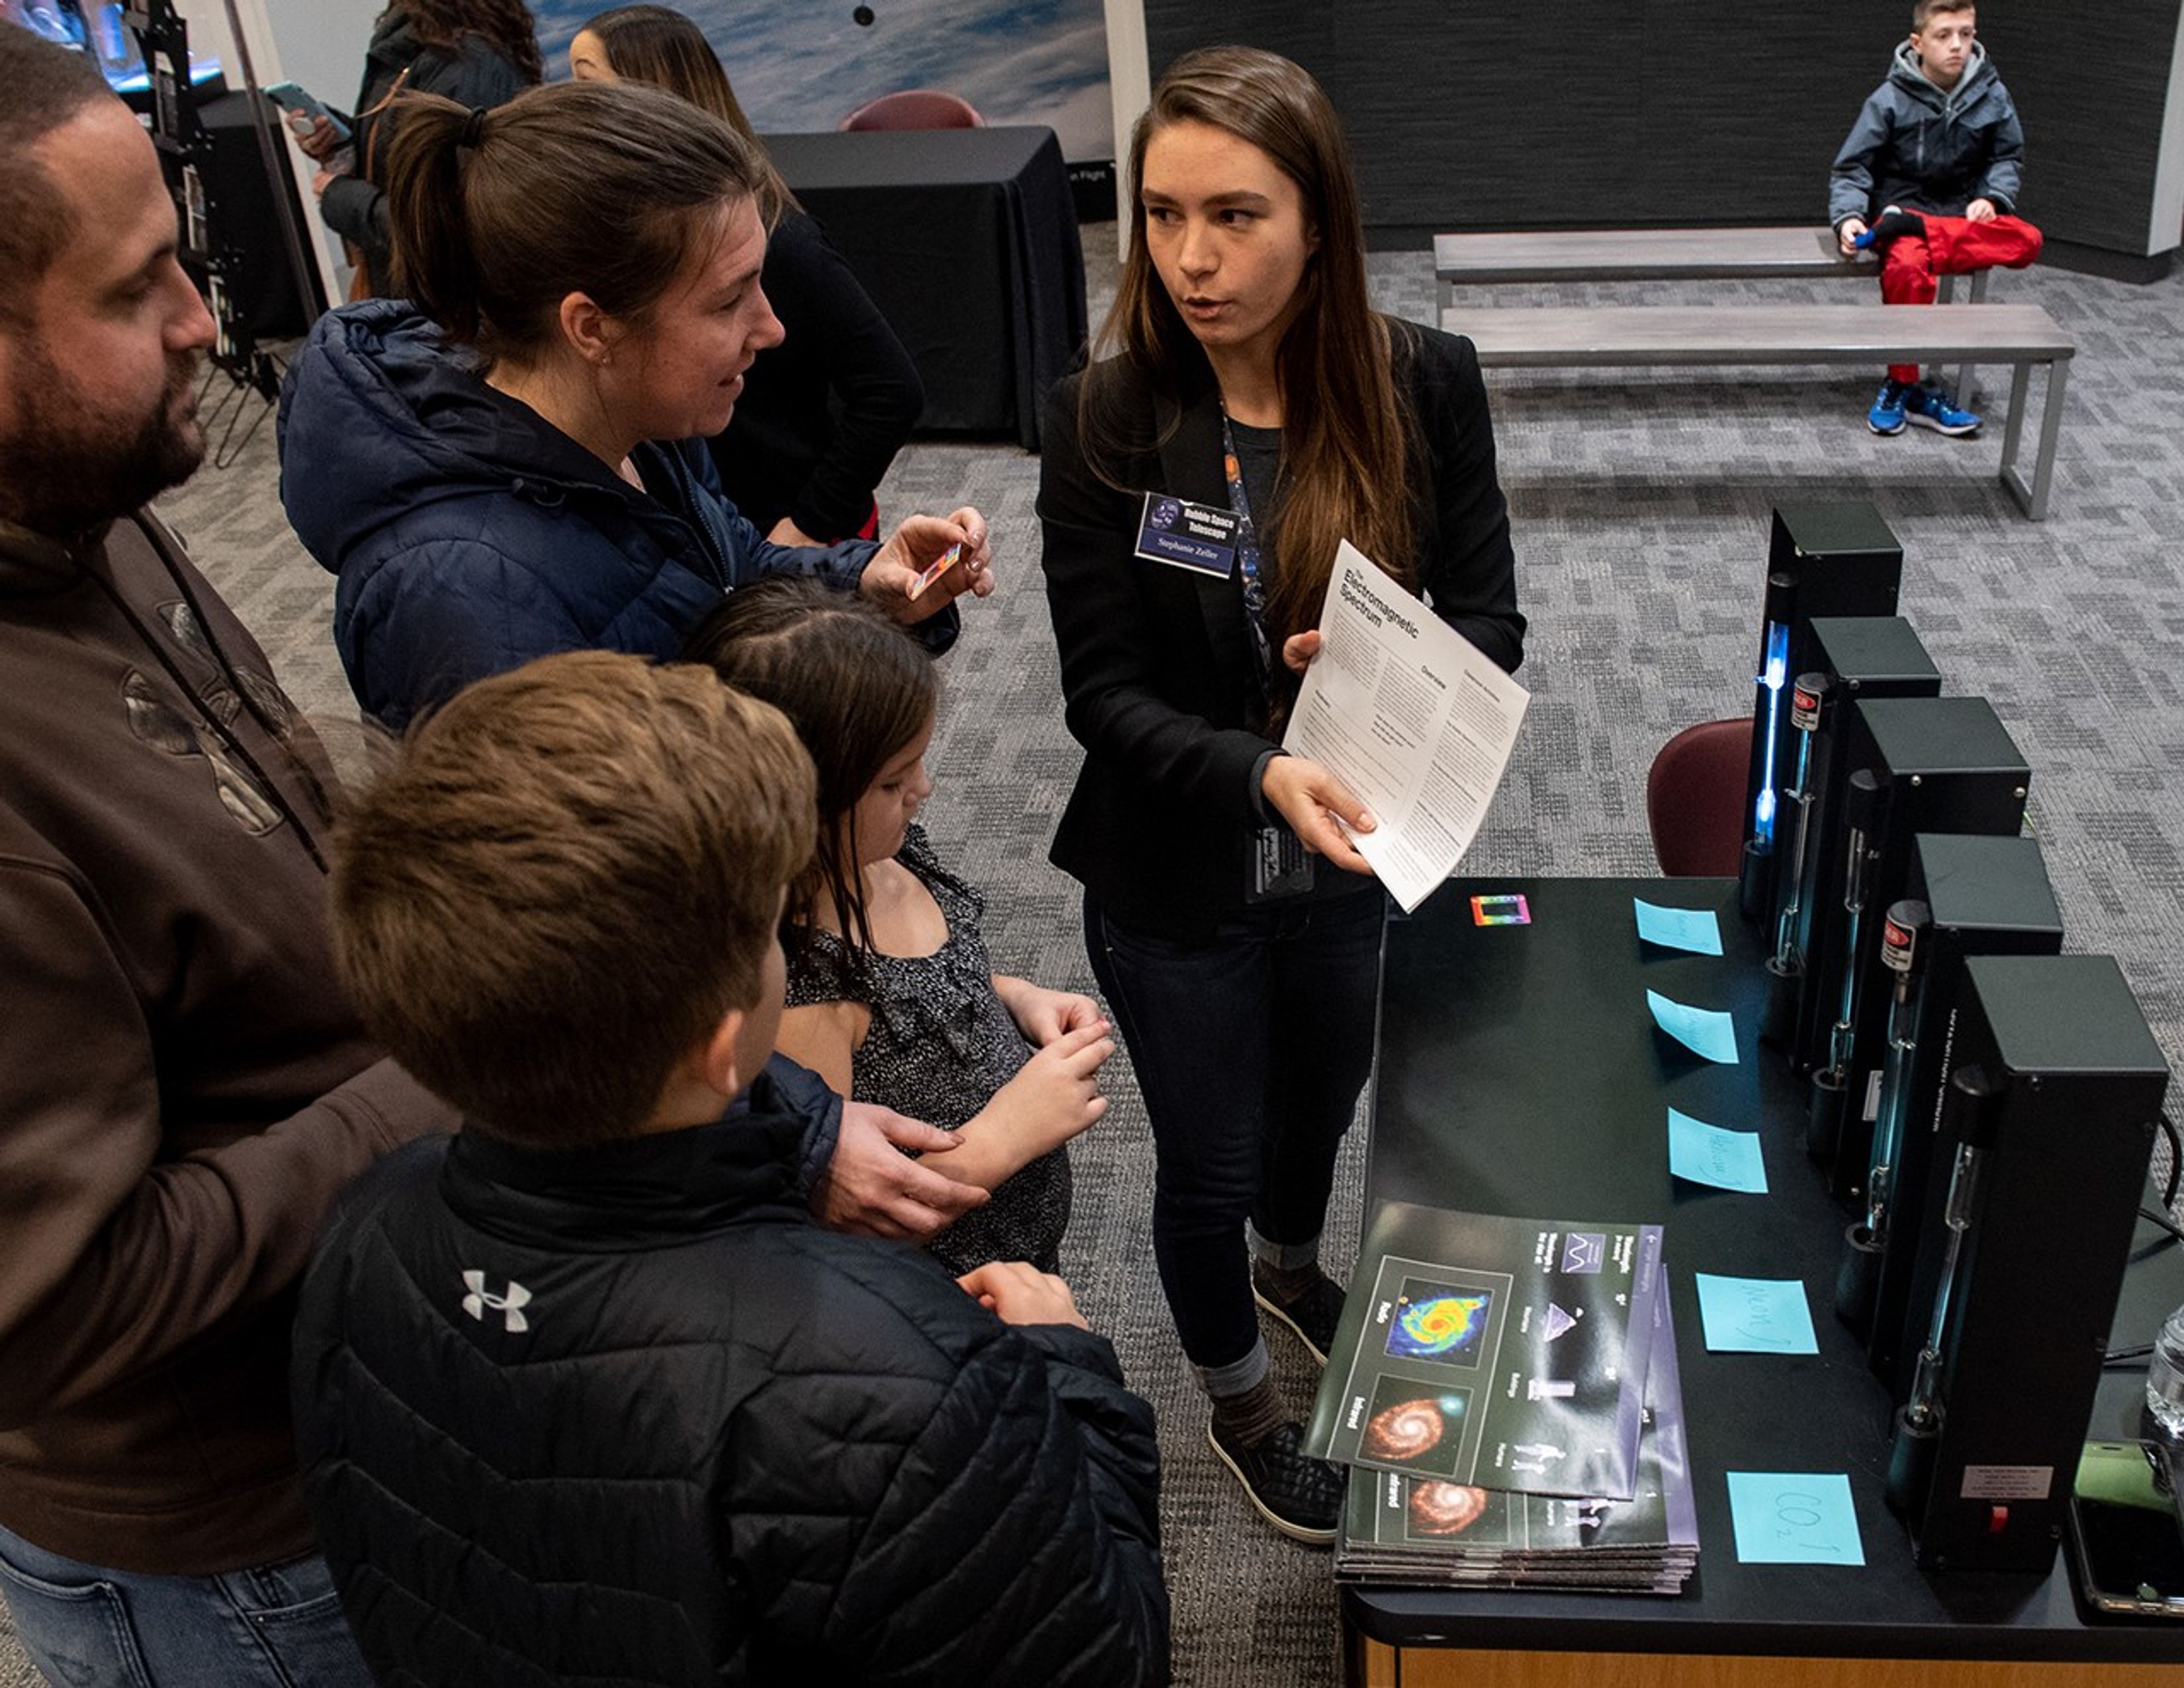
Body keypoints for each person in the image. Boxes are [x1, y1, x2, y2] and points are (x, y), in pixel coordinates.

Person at [293, 649, 1171, 1685]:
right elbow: (1108, 1655)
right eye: (768, 932)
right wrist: (1071, 1373)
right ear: (721, 1045)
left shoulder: (362, 1237)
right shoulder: (893, 1376)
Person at [0, 28, 462, 1684]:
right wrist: (449, 1069)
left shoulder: (81, 494)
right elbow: (64, 1313)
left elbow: (256, 810)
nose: (207, 321)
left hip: (350, 1385)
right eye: (136, 292)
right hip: (235, 1550)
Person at [1037, 45, 1524, 1544]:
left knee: (1321, 1101)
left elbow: (1492, 618)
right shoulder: (1103, 418)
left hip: (1348, 850)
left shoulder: (1419, 380)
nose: (1189, 256)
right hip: (1174, 870)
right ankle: (1245, 1405)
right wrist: (1262, 763)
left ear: (1319, 218)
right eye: (1163, 213)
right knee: (1209, 1155)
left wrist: (1388, 672)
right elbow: (1101, 699)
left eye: (1235, 214)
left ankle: (1289, 1263)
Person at [278, 79, 991, 731]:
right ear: (592, 329)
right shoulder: (456, 600)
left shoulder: (639, 424)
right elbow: (586, 863)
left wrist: (863, 587)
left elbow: (724, 575)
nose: (770, 329)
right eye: (727, 300)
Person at [686, 580, 1113, 1275]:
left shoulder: (881, 848)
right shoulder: (804, 993)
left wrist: (1009, 998)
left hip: (1023, 1247)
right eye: (892, 782)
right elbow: (844, 1242)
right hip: (958, 1288)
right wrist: (1006, 1135)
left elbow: (921, 986)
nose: (924, 790)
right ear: (800, 800)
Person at [570, 4, 923, 544]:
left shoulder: (783, 242)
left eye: (588, 84)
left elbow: (892, 392)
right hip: (701, 528)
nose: (573, 105)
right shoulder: (630, 236)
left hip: (786, 533)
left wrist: (808, 525)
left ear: (653, 97)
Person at [1829, 0, 2043, 438]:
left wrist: (1993, 200)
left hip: (1958, 214)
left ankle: (1913, 230)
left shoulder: (1992, 93)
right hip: (1904, 202)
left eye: (1966, 34)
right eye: (1944, 35)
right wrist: (1848, 217)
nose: (1957, 46)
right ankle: (1905, 384)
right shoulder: (1889, 99)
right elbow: (1852, 167)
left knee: (2028, 240)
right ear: (1918, 42)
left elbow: (2008, 156)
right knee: (1907, 267)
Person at [291, 0, 541, 297]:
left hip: (448, 316)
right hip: (414, 303)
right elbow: (402, 159)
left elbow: (451, 231)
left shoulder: (468, 65)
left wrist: (342, 197)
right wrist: (340, 140)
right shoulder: (413, 44)